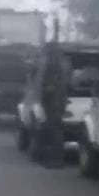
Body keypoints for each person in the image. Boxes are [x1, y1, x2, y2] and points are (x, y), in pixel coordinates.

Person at [39, 41, 71, 169]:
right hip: (57, 100)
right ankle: (55, 158)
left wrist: (47, 89)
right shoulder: (63, 63)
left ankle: (56, 159)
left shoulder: (54, 64)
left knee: (54, 130)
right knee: (54, 129)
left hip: (54, 100)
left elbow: (52, 85)